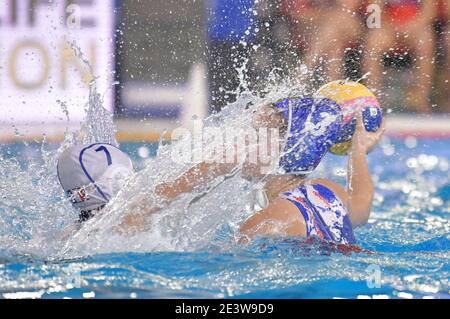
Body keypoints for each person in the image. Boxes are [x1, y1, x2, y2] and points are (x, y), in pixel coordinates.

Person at [239, 111, 384, 245]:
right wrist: (358, 148)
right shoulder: (327, 190)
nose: (242, 143)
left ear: (275, 153)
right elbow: (362, 206)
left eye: (254, 136)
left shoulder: (263, 222)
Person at [363, 0, 437, 112]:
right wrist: (391, 28)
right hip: (388, 29)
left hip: (415, 29)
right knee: (373, 42)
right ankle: (373, 98)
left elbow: (430, 11)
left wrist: (411, 28)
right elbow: (375, 9)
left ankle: (422, 98)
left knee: (426, 41)